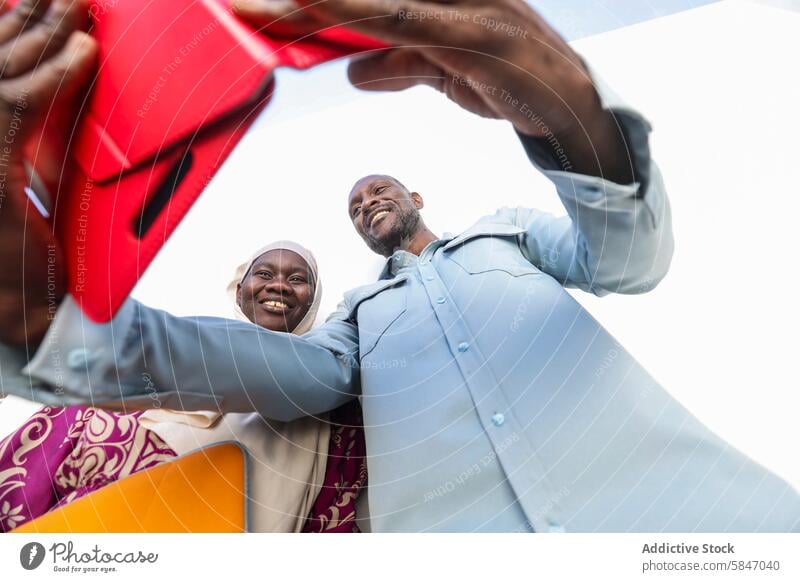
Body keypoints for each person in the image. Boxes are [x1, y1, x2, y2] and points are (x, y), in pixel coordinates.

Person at [1, 0, 798, 532]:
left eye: (376, 190)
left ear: (414, 194)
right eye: (354, 205)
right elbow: (291, 377)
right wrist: (52, 323)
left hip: (698, 522)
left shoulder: (508, 236)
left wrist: (573, 113)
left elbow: (628, 260)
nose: (366, 204)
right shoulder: (357, 319)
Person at [0, 238, 366, 532]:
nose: (279, 285)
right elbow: (22, 486)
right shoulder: (114, 397)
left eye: (298, 279)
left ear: (314, 299)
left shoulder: (327, 402)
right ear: (239, 291)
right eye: (265, 273)